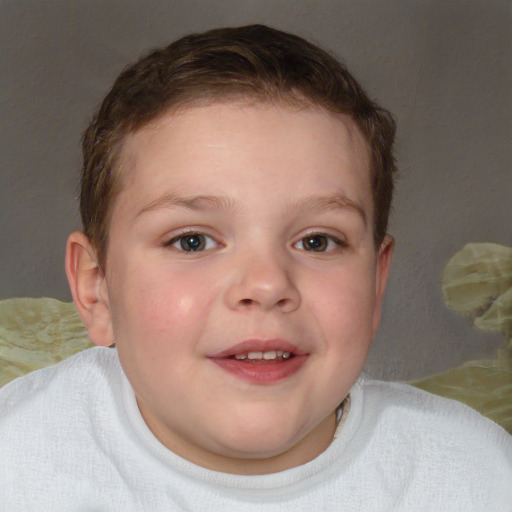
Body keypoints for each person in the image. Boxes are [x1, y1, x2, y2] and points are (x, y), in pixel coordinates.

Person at [0, 24, 510, 511]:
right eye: (193, 241)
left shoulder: (474, 477)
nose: (266, 285)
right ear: (97, 290)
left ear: (376, 287)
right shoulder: (20, 461)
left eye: (317, 241)